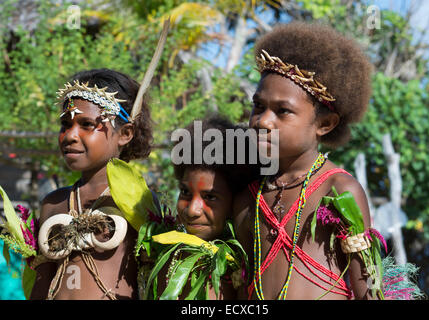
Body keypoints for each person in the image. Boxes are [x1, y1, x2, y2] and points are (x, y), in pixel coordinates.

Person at [233, 22, 376, 300]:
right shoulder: (247, 197)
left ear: (324, 124)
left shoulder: (339, 191)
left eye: (282, 111)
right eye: (258, 106)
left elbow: (369, 291)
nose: (263, 121)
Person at [30, 68, 153, 300]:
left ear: (125, 134)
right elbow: (42, 280)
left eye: (86, 124)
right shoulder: (53, 204)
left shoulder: (140, 203)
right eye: (65, 124)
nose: (70, 135)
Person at [140, 115, 258, 300]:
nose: (192, 210)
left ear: (235, 203)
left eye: (210, 197)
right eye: (185, 193)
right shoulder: (158, 253)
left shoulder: (242, 272)